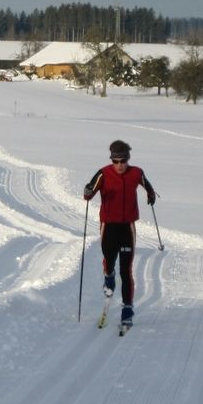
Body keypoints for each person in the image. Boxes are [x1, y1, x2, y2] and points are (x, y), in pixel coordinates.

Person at [82, 140, 157, 330]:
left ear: (128, 159)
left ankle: (127, 310)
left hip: (127, 228)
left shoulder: (136, 173)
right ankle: (108, 276)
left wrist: (151, 194)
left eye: (123, 161)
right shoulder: (103, 173)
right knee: (109, 259)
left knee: (126, 270)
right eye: (115, 161)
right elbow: (89, 192)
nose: (119, 165)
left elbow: (147, 185)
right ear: (111, 160)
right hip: (108, 226)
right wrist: (88, 191)